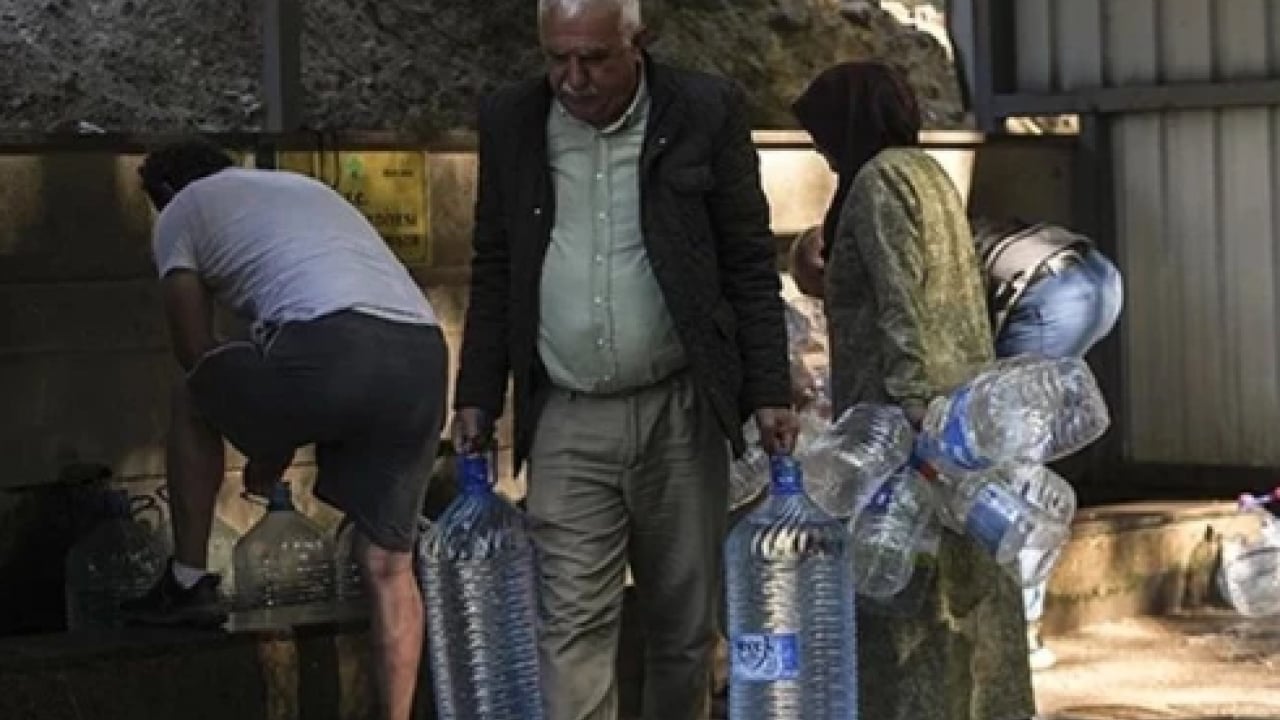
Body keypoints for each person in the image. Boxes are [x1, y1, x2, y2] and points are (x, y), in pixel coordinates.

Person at [450, 0, 798, 717]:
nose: (573, 78)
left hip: (680, 409)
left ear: (640, 44)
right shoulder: (512, 119)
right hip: (568, 416)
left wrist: (769, 388)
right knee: (572, 625)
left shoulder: (705, 109)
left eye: (595, 59)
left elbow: (747, 259)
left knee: (683, 632)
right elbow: (494, 262)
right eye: (557, 59)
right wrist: (476, 393)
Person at [122, 139, 447, 720]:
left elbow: (195, 350)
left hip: (332, 345)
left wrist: (264, 436)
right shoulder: (300, 190)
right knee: (388, 566)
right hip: (422, 354)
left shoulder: (182, 210)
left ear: (164, 194)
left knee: (190, 394)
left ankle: (189, 579)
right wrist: (271, 436)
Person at [792, 62, 1036, 720]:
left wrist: (909, 420)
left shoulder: (875, 184)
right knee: (967, 594)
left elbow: (902, 305)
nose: (818, 147)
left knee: (906, 603)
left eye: (821, 133)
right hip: (963, 415)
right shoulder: (926, 174)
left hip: (905, 433)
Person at [974, 216, 1124, 670]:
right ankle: (1021, 622)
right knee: (1018, 446)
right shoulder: (952, 225)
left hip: (1053, 292)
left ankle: (1021, 629)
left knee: (1014, 464)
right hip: (1097, 279)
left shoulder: (897, 250)